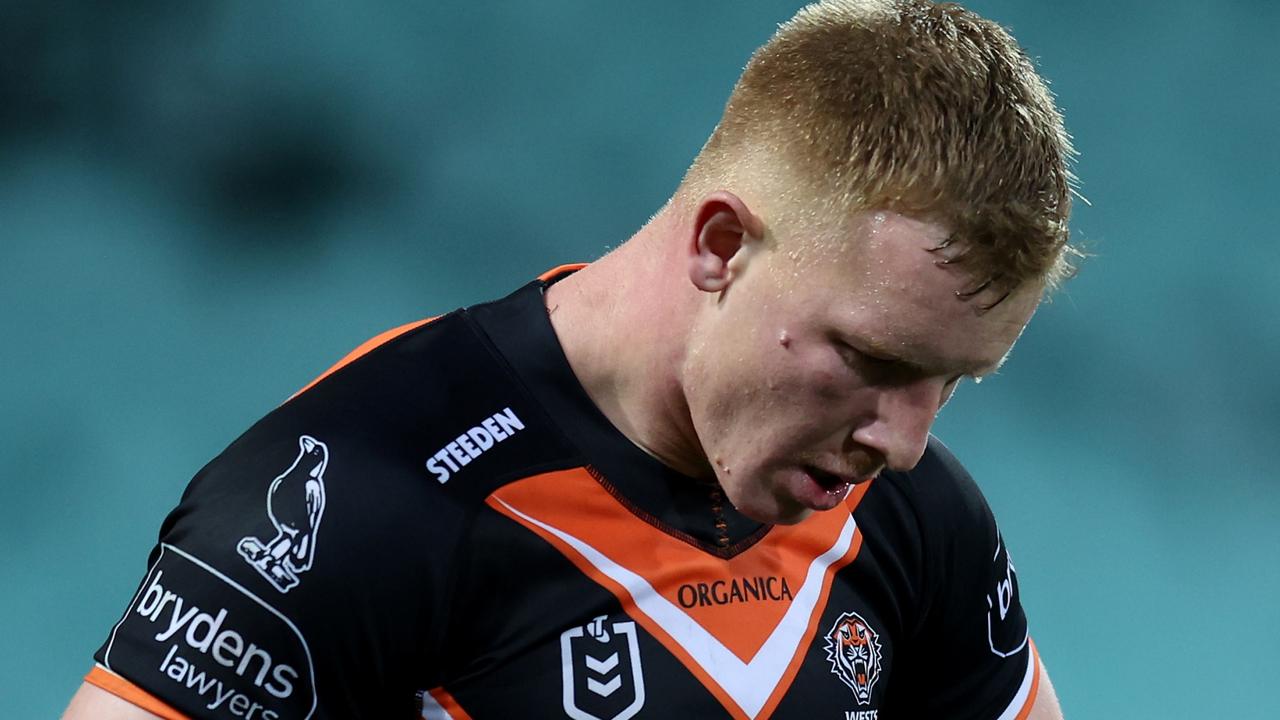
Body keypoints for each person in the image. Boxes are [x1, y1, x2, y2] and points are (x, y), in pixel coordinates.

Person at [64, 0, 1075, 717]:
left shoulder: (914, 518)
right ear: (720, 245)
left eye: (949, 383)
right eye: (868, 357)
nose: (900, 443)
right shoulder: (353, 496)